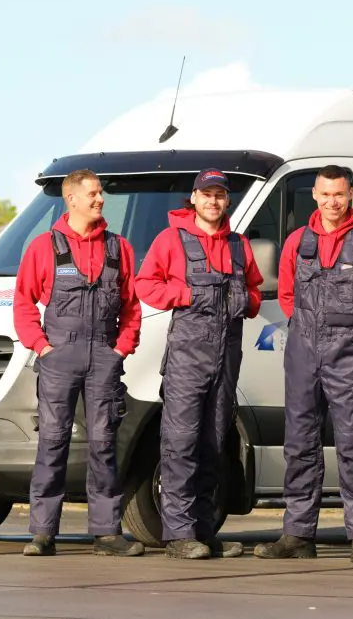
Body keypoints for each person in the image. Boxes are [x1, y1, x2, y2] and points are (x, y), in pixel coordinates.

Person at [254, 165, 353, 563]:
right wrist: (305, 329)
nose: (332, 202)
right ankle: (298, 536)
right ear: (315, 196)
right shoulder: (295, 243)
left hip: (348, 355)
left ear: (350, 195)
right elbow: (286, 294)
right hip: (303, 354)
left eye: (339, 194)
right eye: (325, 194)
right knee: (299, 445)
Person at [135, 169, 264, 559]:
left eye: (219, 195)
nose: (213, 201)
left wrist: (249, 302)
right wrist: (186, 293)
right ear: (193, 198)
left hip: (227, 360)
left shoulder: (240, 246)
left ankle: (204, 531)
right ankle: (177, 534)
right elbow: (146, 284)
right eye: (206, 194)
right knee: (180, 443)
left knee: (214, 443)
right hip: (187, 361)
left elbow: (256, 289)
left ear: (227, 201)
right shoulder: (171, 240)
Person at [13, 169, 143, 556]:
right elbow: (23, 302)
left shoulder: (119, 248)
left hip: (104, 354)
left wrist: (121, 348)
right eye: (93, 193)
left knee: (104, 443)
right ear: (71, 198)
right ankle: (42, 532)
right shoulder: (43, 247)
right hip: (59, 356)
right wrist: (41, 347)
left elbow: (131, 307)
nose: (100, 199)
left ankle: (106, 533)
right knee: (52, 442)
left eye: (100, 192)